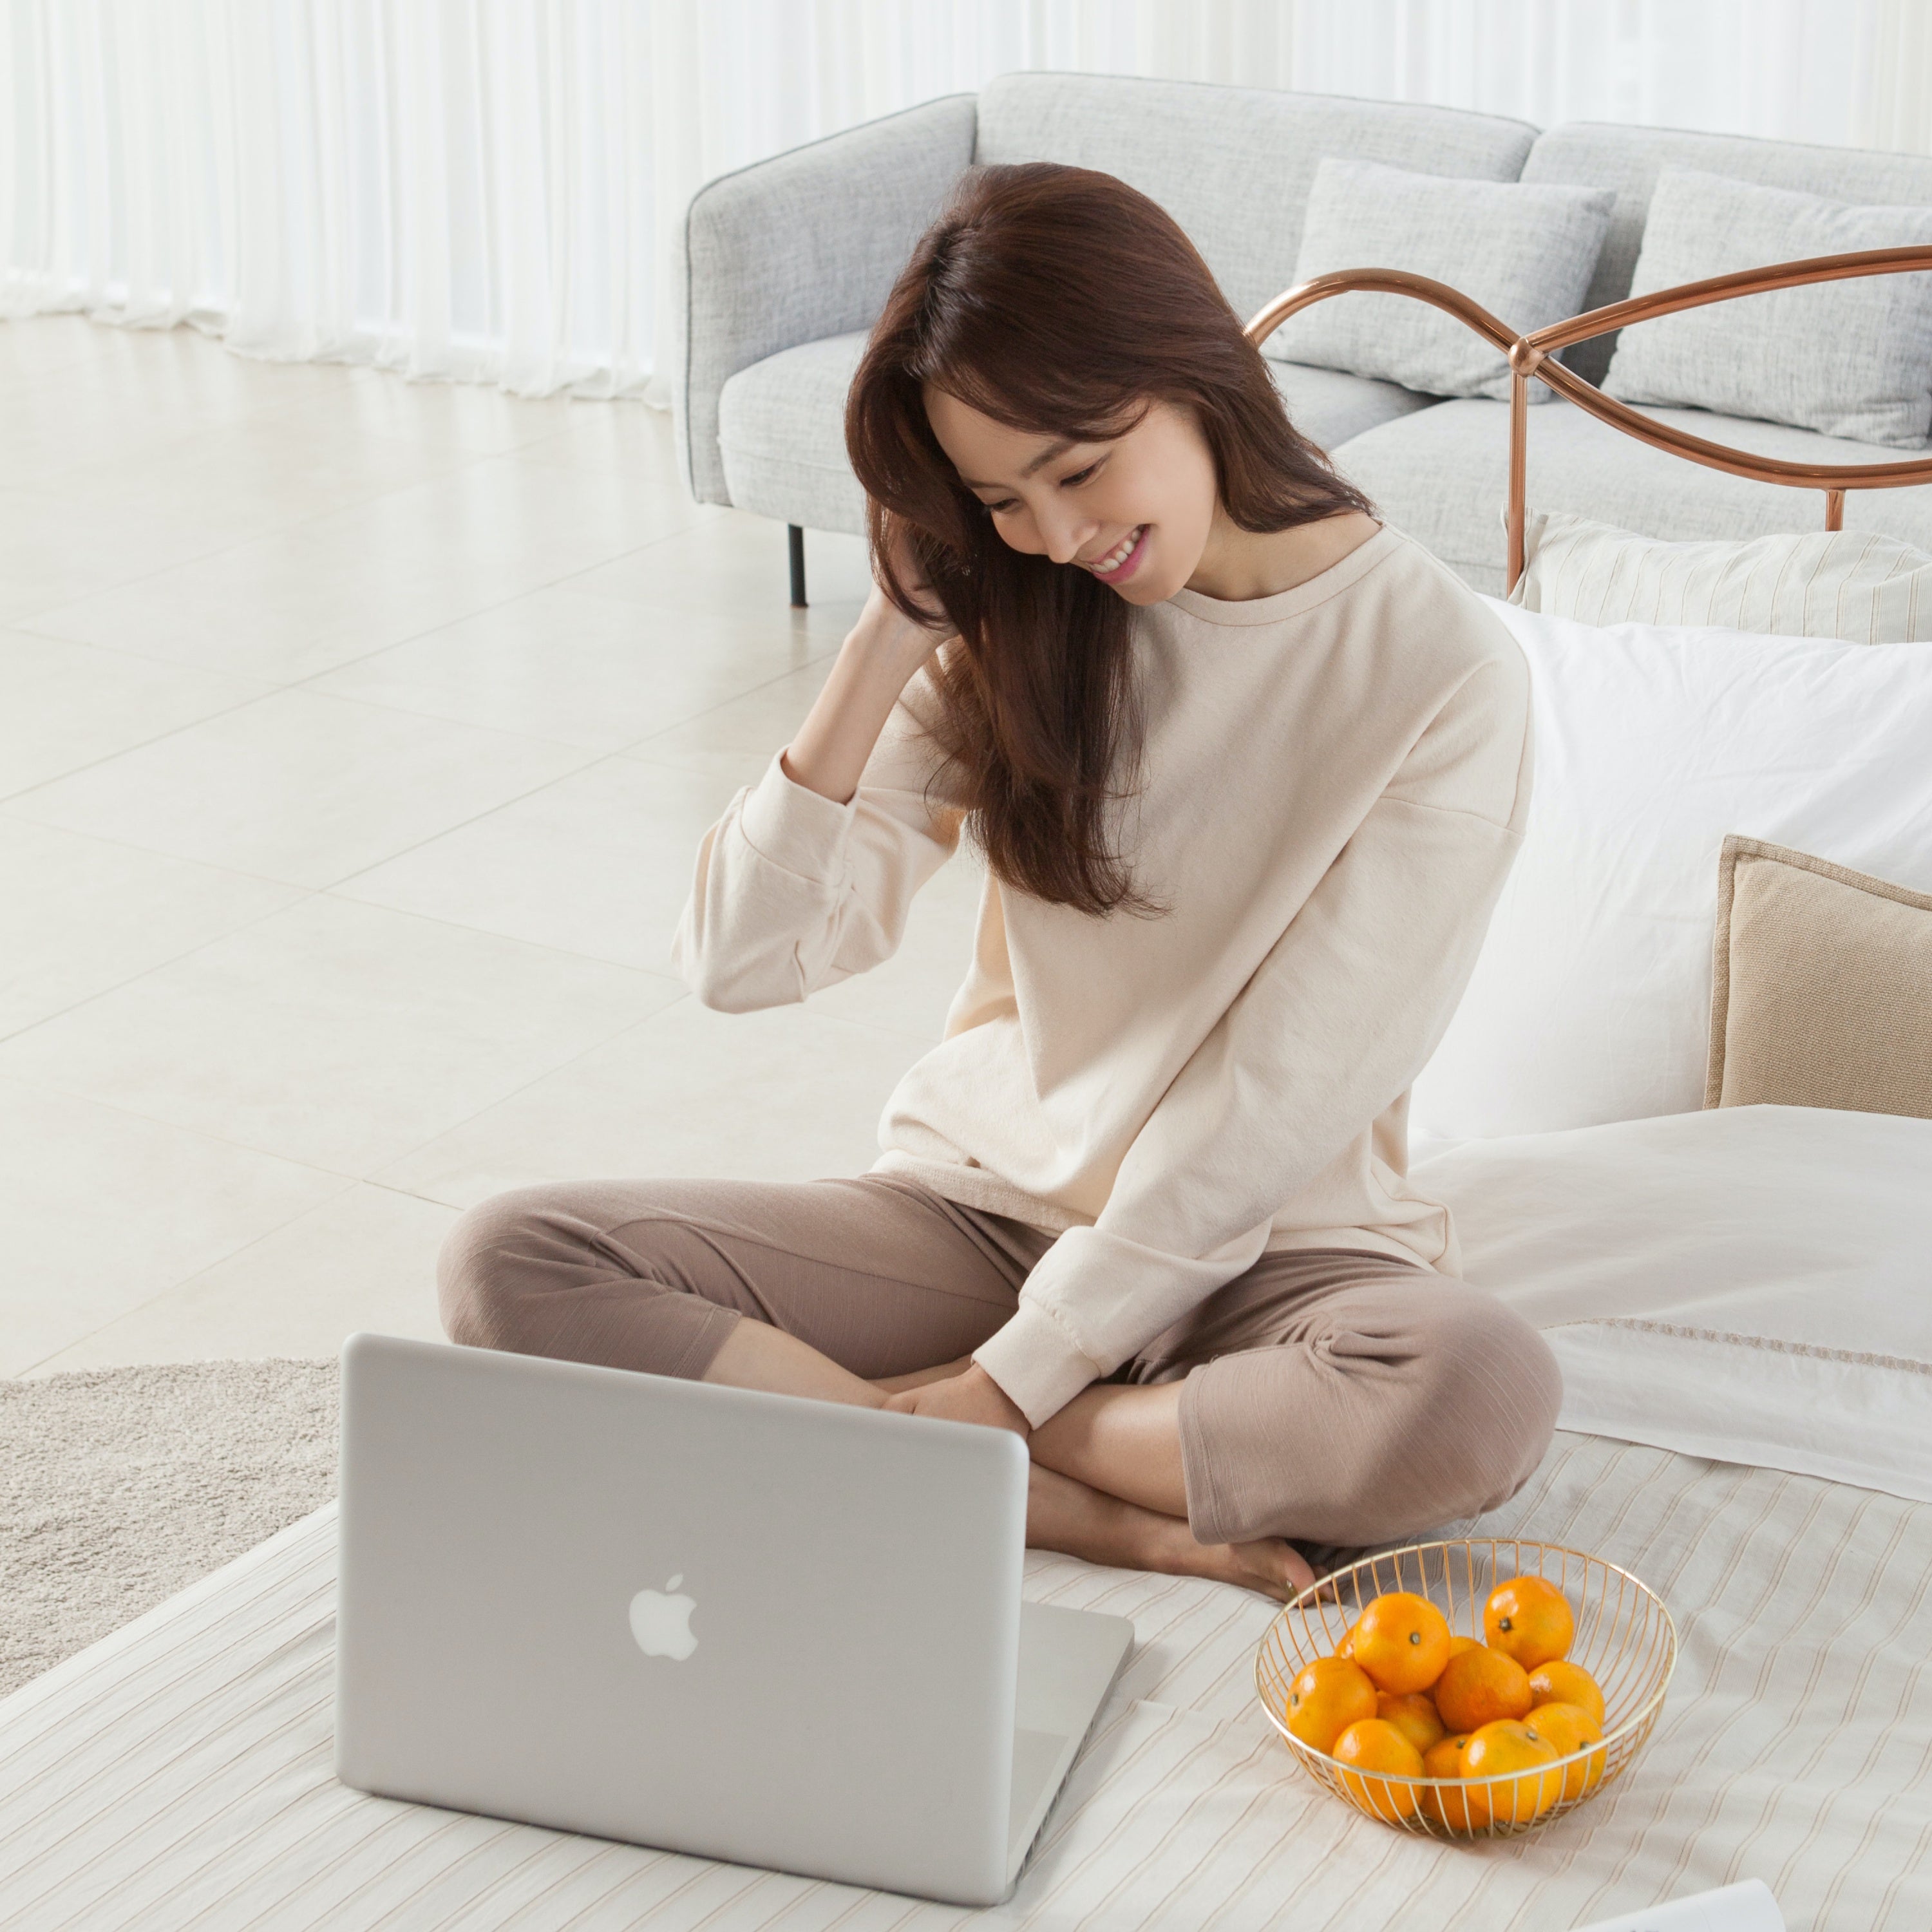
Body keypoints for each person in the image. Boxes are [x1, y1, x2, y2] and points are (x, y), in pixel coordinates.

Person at [439, 163, 1560, 1602]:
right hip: (992, 1215)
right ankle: (1093, 1507)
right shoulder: (1027, 615)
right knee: (514, 1260)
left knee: (1472, 1392)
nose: (1056, 533)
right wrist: (886, 643)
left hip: (1275, 1256)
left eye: (1080, 468)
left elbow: (1271, 1102)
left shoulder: (1440, 670)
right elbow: (740, 960)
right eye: (998, 498)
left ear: (1191, 370)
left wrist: (1016, 1385)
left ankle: (920, 1435)